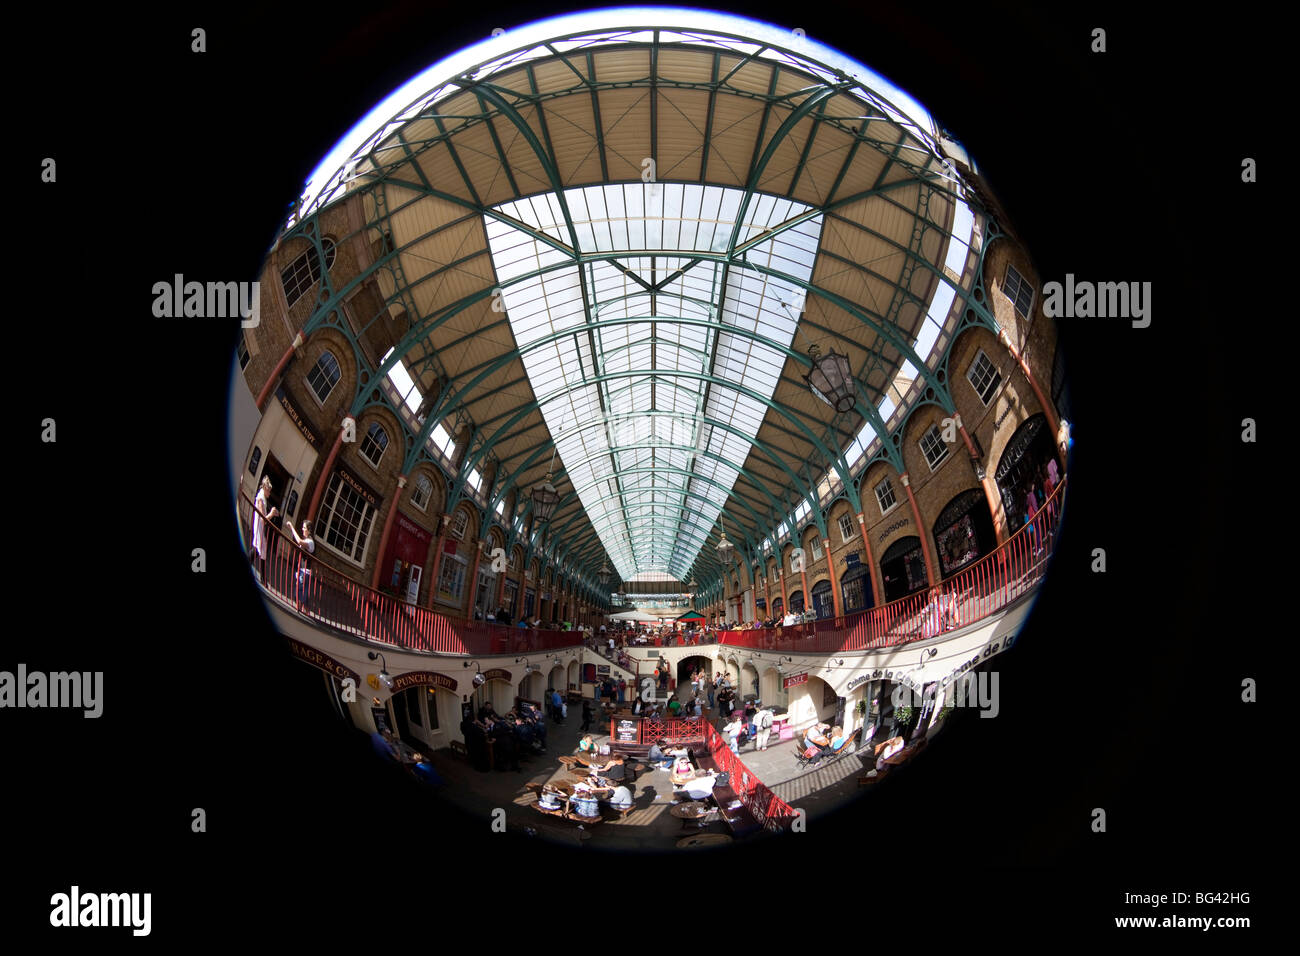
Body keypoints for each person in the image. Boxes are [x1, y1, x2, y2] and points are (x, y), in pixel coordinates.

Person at [251, 476, 280, 584]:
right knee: (259, 549)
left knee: (261, 549)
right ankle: (263, 578)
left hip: (260, 527)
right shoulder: (260, 499)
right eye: (269, 491)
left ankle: (263, 578)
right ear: (266, 489)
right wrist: (272, 514)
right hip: (259, 526)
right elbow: (263, 519)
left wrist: (273, 513)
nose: (270, 494)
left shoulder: (262, 498)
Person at [283, 518, 315, 607]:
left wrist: (292, 527)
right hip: (302, 570)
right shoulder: (307, 540)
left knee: (299, 595)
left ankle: (300, 611)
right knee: (300, 594)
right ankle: (302, 610)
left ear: (309, 530)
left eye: (304, 528)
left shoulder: (310, 542)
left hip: (305, 572)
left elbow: (299, 541)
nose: (302, 529)